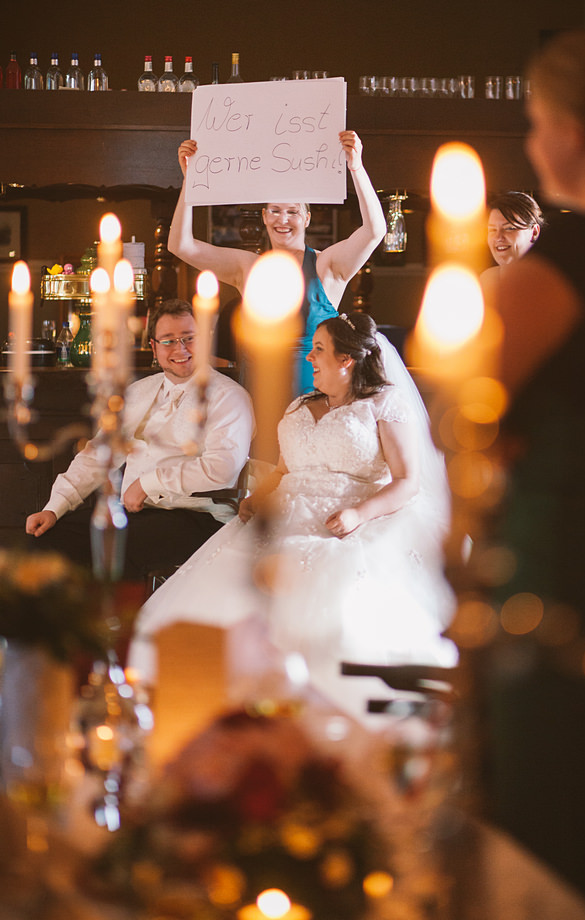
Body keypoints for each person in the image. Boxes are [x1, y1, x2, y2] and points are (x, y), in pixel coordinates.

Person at [128, 312, 457, 723]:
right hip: (285, 513)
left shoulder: (383, 405)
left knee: (325, 592)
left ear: (347, 359)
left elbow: (407, 481)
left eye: (319, 349)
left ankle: (310, 699)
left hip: (351, 518)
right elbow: (285, 470)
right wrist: (258, 496)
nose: (309, 358)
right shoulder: (301, 406)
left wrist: (358, 513)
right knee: (234, 584)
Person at [466, 24, 585, 916]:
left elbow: (462, 415)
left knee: (555, 797)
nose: (529, 141)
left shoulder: (562, 266)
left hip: (570, 560)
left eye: (533, 121)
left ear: (570, 132)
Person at [25, 299, 254, 581]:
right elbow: (97, 456)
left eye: (189, 338)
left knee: (113, 552)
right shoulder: (136, 392)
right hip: (133, 515)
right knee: (47, 542)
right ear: (154, 347)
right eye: (168, 341)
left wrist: (148, 483)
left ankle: (117, 609)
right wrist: (54, 507)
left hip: (198, 517)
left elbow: (222, 469)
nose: (180, 349)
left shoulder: (229, 397)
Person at [168, 130, 387, 394]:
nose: (282, 220)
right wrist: (190, 181)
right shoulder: (247, 268)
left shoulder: (326, 266)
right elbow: (180, 245)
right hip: (257, 395)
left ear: (307, 219)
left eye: (293, 212)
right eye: (275, 211)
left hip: (313, 399)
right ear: (264, 216)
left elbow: (374, 230)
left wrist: (356, 167)